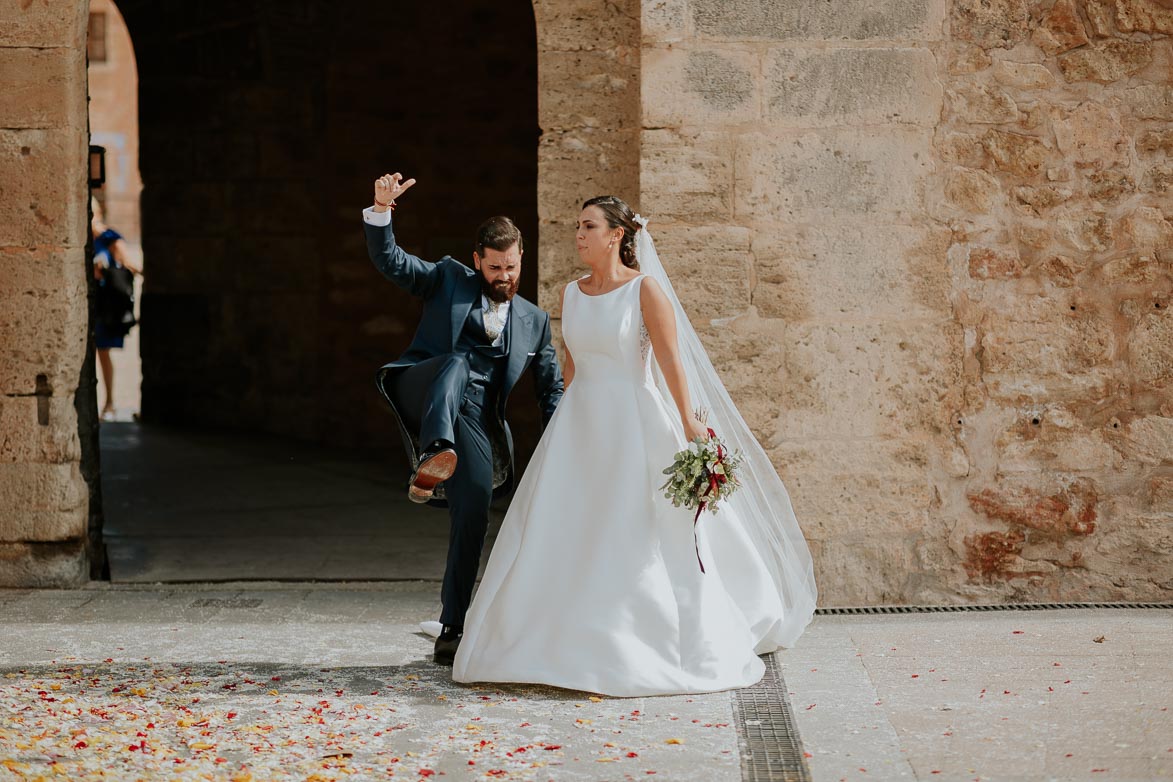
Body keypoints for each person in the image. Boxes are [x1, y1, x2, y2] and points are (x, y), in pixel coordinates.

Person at [451, 196, 818, 696]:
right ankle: (553, 635)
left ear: (616, 236)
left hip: (634, 422)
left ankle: (638, 634)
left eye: (588, 226)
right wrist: (564, 428)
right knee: (563, 529)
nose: (578, 235)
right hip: (580, 427)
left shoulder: (646, 292)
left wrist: (691, 427)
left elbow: (671, 366)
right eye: (578, 226)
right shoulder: (571, 293)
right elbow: (573, 369)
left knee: (634, 527)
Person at [363, 172, 564, 666]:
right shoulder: (449, 278)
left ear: (521, 261)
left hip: (473, 419)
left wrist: (570, 441)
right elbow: (393, 262)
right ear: (478, 261)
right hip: (424, 385)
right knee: (456, 363)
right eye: (494, 267)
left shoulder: (534, 323)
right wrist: (381, 210)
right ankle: (432, 453)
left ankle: (452, 627)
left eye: (511, 267)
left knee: (473, 510)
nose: (504, 276)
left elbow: (550, 391)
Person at [91, 197, 142, 421]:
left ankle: (110, 402)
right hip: (88, 303)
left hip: (105, 305)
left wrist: (106, 271)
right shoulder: (82, 239)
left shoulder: (109, 238)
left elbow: (129, 266)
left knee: (102, 352)